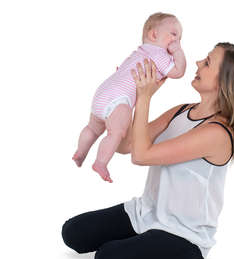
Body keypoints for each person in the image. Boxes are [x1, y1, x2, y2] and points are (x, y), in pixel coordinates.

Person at [62, 42, 234, 259]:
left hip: (183, 235)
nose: (197, 63)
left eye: (207, 63)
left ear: (226, 81)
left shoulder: (217, 133)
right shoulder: (181, 110)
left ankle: (147, 244)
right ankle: (142, 239)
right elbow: (127, 146)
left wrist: (146, 97)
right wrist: (125, 95)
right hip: (146, 212)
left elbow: (141, 156)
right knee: (73, 232)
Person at [72, 12, 186, 183]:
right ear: (154, 34)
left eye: (180, 39)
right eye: (174, 35)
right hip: (119, 100)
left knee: (93, 128)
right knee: (115, 132)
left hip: (103, 92)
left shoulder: (138, 52)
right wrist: (178, 52)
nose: (177, 41)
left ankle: (80, 152)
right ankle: (100, 162)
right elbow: (178, 72)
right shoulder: (159, 54)